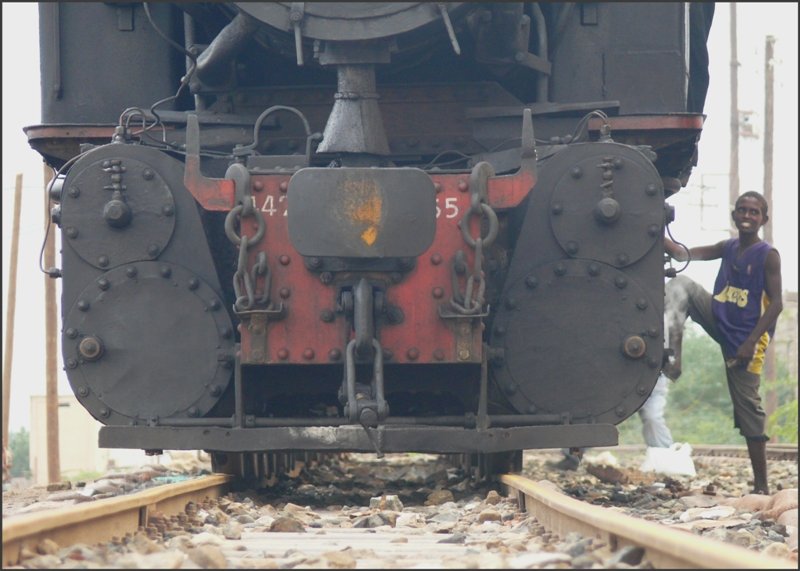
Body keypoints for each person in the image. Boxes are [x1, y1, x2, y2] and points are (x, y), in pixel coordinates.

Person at [663, 191, 782, 495]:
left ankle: (762, 486)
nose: (747, 215)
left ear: (763, 220)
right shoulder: (727, 247)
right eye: (742, 210)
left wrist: (751, 342)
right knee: (680, 285)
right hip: (719, 317)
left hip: (745, 341)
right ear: (734, 215)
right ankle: (673, 358)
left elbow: (777, 304)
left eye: (754, 212)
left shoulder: (768, 255)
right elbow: (682, 255)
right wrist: (651, 225)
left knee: (748, 411)